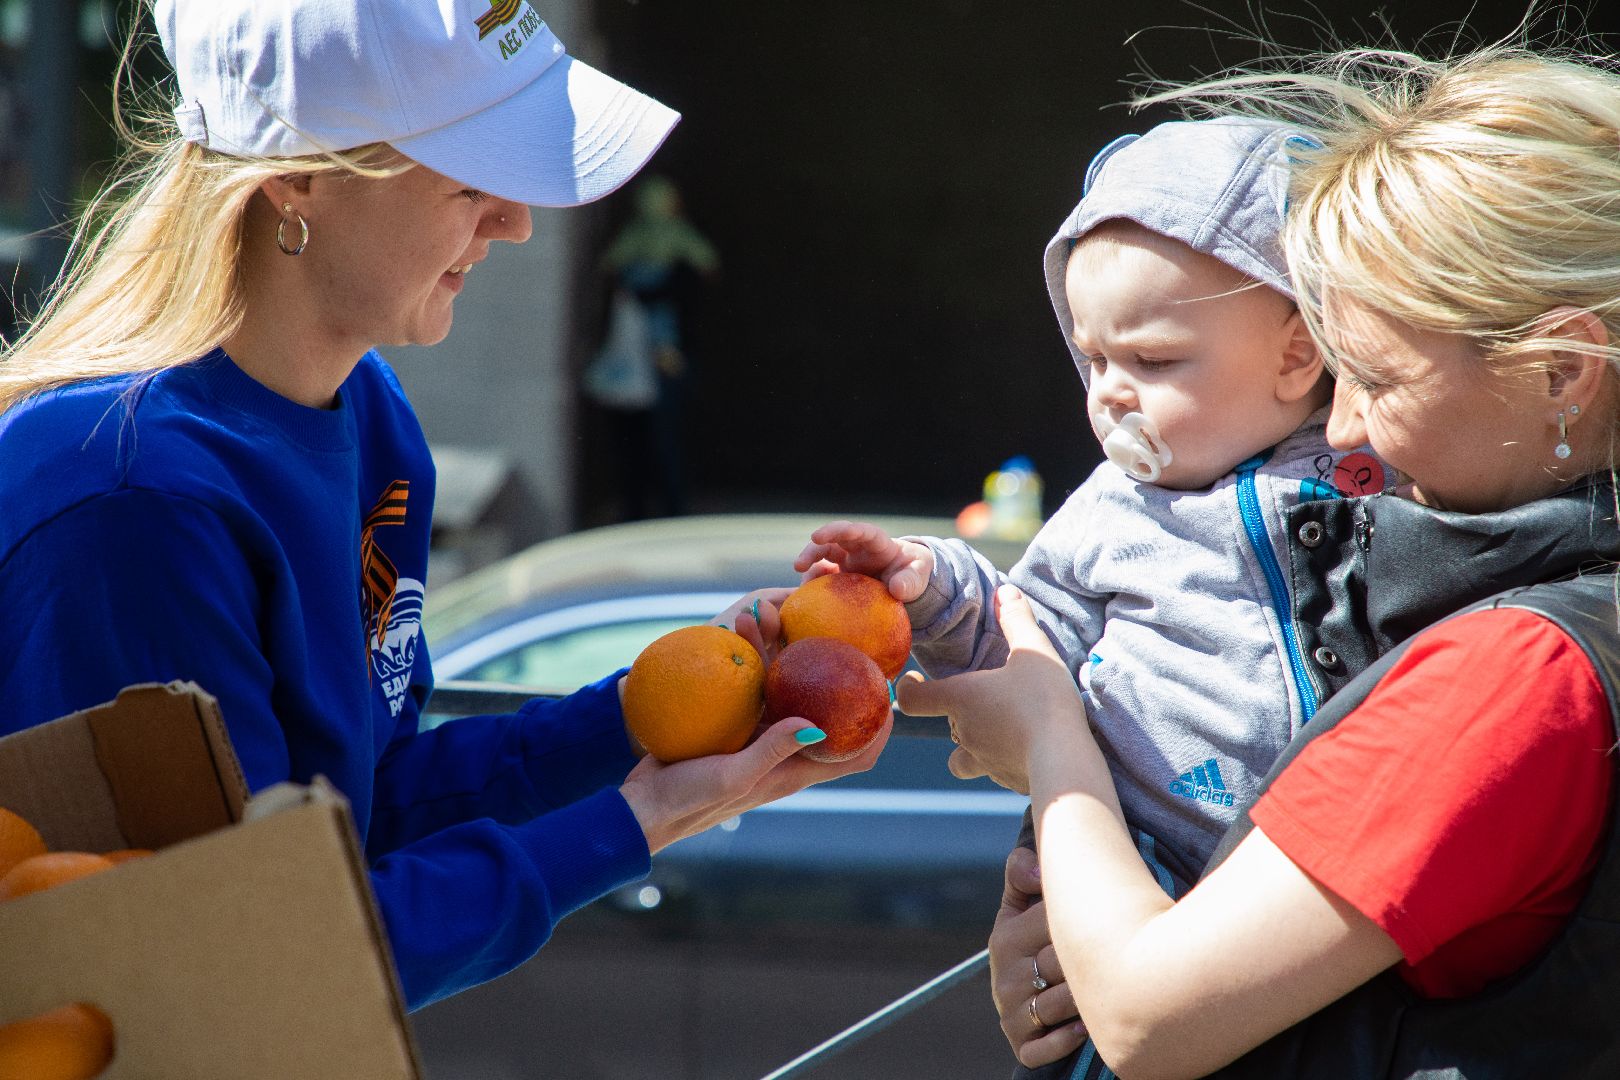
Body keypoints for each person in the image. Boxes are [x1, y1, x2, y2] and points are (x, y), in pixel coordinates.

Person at [0, 0, 887, 1013]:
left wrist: (654, 717)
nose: (516, 219)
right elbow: (242, 966)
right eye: (473, 174)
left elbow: (360, 810)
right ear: (297, 175)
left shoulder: (369, 409)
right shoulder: (126, 500)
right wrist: (632, 824)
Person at [912, 43, 1620, 1078]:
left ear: (1561, 369)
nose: (1340, 430)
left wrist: (1052, 738)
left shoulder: (1520, 673)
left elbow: (1150, 1021)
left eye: (1373, 376)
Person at [801, 117, 1387, 905]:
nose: (1110, 390)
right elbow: (1022, 641)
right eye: (1095, 357)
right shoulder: (1112, 512)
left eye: (1152, 360)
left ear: (1296, 353)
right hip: (1150, 868)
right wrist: (931, 584)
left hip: (1347, 877)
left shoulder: (1385, 471)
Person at [585, 174, 719, 519]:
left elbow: (702, 265)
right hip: (642, 359)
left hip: (663, 359)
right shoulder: (647, 239)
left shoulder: (670, 244)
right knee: (648, 440)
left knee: (662, 439)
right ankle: (647, 510)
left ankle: (666, 511)